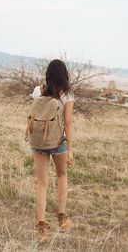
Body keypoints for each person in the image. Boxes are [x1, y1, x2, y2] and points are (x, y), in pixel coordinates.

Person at [31, 59, 75, 242]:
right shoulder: (67, 95)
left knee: (42, 183)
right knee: (62, 176)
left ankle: (41, 228)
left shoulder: (37, 90)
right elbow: (68, 122)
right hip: (58, 142)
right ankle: (62, 219)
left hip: (39, 141)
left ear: (48, 74)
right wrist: (70, 149)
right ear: (64, 74)